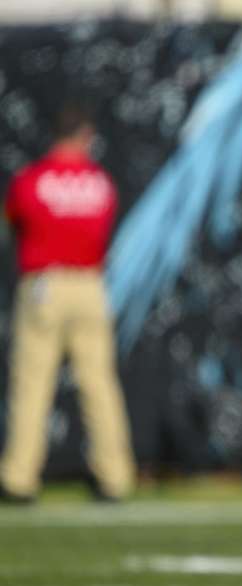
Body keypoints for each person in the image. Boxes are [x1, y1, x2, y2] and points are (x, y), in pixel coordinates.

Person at [0, 103, 136, 504]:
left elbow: (14, 223)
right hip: (90, 287)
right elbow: (102, 230)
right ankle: (115, 477)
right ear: (85, 136)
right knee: (99, 385)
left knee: (32, 386)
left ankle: (19, 480)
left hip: (46, 285)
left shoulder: (32, 180)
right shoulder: (99, 182)